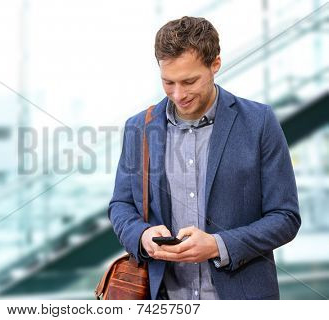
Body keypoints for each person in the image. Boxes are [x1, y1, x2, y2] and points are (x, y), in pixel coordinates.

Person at [108, 16, 301, 300]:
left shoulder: (259, 122)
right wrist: (142, 236)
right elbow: (121, 205)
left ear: (215, 65)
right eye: (168, 82)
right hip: (163, 298)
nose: (178, 94)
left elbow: (285, 217)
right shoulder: (139, 127)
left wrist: (218, 245)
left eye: (189, 81)